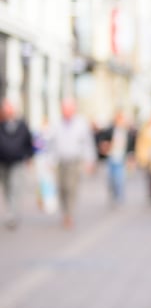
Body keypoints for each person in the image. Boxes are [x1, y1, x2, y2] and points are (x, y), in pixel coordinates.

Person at [47, 98, 97, 229]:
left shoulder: (81, 124)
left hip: (74, 162)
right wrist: (49, 161)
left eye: (69, 108)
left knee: (71, 188)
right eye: (64, 108)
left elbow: (87, 144)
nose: (66, 111)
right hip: (60, 161)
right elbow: (51, 144)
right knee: (62, 188)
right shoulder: (57, 123)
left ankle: (69, 214)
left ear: (74, 109)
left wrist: (90, 161)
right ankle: (65, 212)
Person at [0, 98, 35, 229]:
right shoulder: (1, 125)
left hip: (17, 161)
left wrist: (29, 157)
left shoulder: (22, 125)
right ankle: (10, 211)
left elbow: (28, 142)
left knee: (16, 188)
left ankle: (14, 214)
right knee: (7, 188)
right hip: (3, 162)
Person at [96, 109, 136, 206]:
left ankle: (119, 196)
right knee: (111, 178)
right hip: (111, 156)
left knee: (120, 178)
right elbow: (102, 139)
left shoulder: (127, 131)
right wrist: (105, 146)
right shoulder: (110, 130)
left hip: (122, 158)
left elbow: (131, 145)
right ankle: (113, 193)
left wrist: (131, 156)